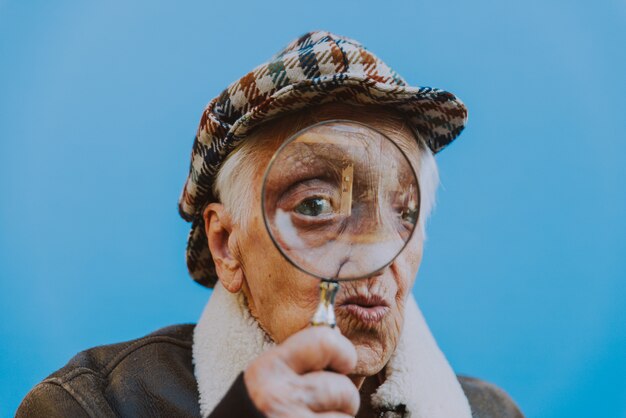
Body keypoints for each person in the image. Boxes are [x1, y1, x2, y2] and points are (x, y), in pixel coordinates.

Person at [17, 31, 524, 418]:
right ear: (226, 244)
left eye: (402, 211)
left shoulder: (489, 412)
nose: (373, 254)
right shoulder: (96, 404)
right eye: (315, 206)